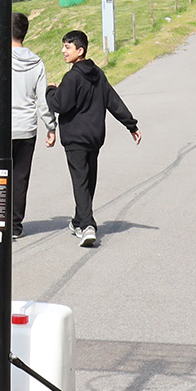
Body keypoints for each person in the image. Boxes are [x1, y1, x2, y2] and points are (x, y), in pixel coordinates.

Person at [44, 29, 138, 249]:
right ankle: (79, 220)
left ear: (80, 50)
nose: (63, 51)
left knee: (80, 181)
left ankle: (87, 225)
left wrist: (50, 90)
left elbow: (59, 104)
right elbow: (113, 101)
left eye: (67, 47)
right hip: (94, 138)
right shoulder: (98, 74)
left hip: (75, 138)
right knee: (88, 180)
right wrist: (131, 125)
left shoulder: (72, 77)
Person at [0, 11, 46, 238]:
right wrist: (51, 126)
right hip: (27, 128)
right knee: (20, 177)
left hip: (0, 128)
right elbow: (42, 99)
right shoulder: (36, 62)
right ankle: (14, 225)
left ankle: (0, 211)